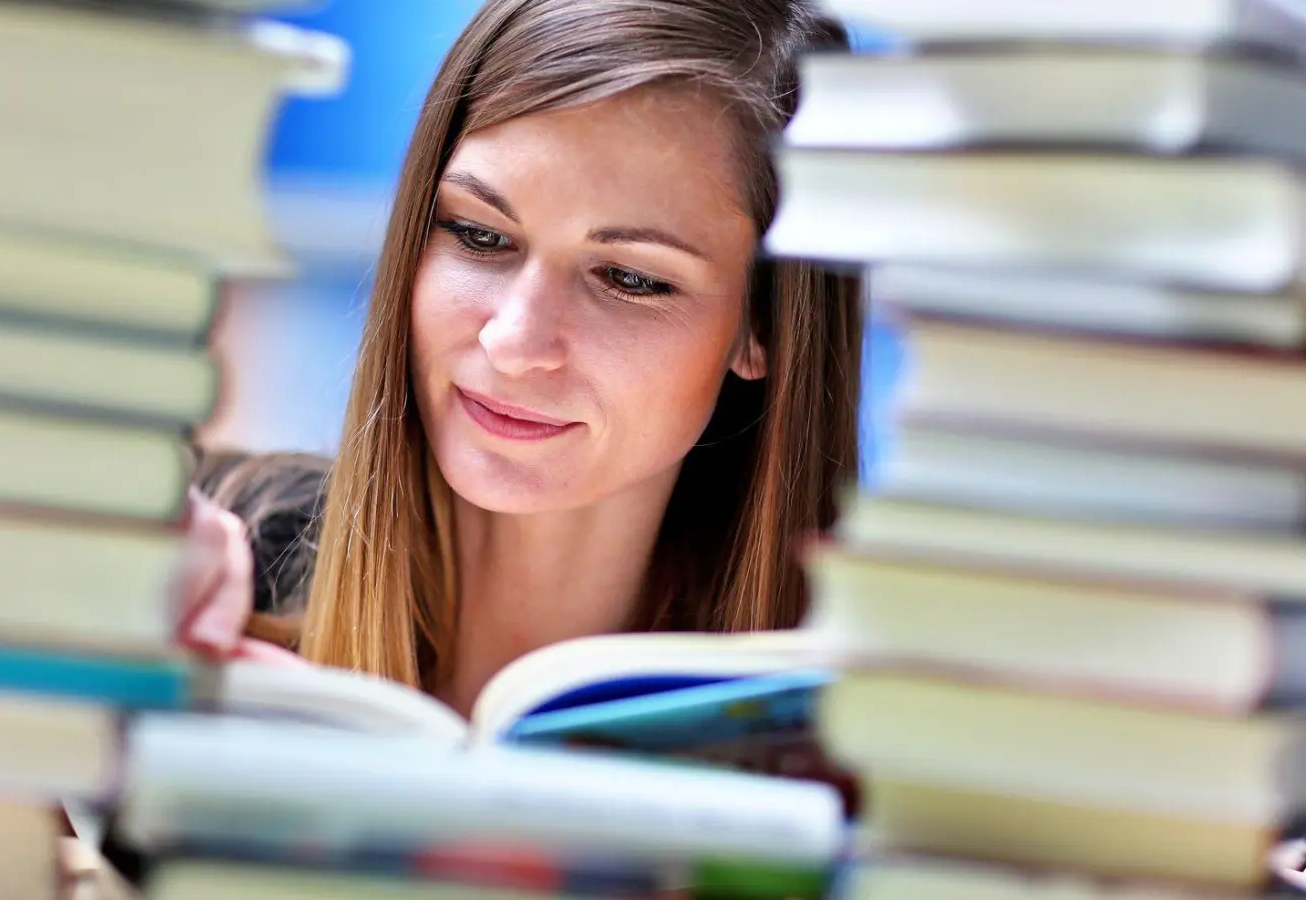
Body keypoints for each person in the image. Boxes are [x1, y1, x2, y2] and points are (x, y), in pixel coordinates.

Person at [180, 0, 860, 719]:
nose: (515, 340)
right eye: (478, 235)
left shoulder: (851, 722)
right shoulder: (189, 558)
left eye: (630, 278)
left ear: (764, 329)